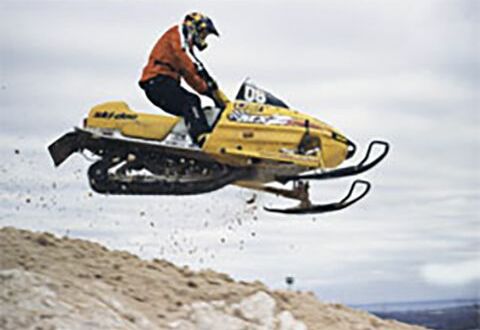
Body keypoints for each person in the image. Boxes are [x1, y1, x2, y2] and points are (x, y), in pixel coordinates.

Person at [139, 12, 219, 145]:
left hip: (164, 82)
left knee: (194, 110)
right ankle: (201, 138)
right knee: (191, 102)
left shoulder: (186, 45)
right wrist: (206, 87)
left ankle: (182, 140)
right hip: (157, 80)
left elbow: (190, 75)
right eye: (203, 33)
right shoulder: (178, 35)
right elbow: (187, 64)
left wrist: (209, 90)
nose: (203, 38)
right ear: (195, 27)